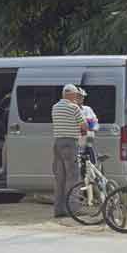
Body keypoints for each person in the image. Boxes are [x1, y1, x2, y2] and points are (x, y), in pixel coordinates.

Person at [51, 84, 87, 218]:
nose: (77, 97)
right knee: (73, 177)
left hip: (57, 143)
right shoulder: (74, 107)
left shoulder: (55, 107)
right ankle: (72, 209)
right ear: (71, 95)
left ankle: (58, 209)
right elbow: (84, 126)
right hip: (71, 143)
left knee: (59, 177)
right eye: (76, 94)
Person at [77, 88, 99, 164]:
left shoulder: (87, 109)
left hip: (87, 138)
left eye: (82, 97)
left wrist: (94, 129)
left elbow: (95, 121)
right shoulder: (71, 109)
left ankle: (93, 165)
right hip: (76, 139)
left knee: (89, 149)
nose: (81, 98)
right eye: (79, 96)